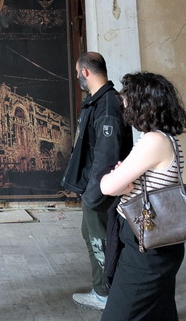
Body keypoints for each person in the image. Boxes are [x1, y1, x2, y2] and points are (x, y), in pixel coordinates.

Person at [99, 72, 186, 321]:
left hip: (146, 247)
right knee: (158, 314)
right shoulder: (167, 139)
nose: (124, 103)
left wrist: (118, 181)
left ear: (143, 103)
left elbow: (107, 186)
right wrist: (124, 182)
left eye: (127, 98)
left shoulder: (153, 141)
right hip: (160, 240)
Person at [62, 52, 133, 310]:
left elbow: (106, 157)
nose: (77, 76)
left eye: (77, 71)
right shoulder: (97, 101)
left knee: (101, 240)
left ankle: (107, 295)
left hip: (102, 192)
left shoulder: (107, 106)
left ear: (85, 72)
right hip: (95, 188)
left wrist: (93, 196)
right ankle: (104, 291)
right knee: (91, 234)